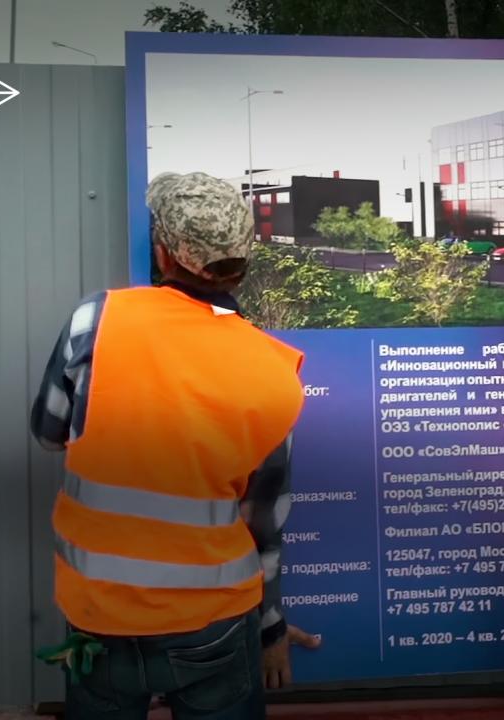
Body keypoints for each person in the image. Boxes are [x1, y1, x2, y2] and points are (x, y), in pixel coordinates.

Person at [29, 171, 318, 719]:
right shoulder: (276, 372)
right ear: (243, 258)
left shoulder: (97, 321)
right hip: (213, 624)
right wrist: (271, 628)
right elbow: (265, 524)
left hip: (98, 615)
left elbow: (48, 432)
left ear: (162, 252)